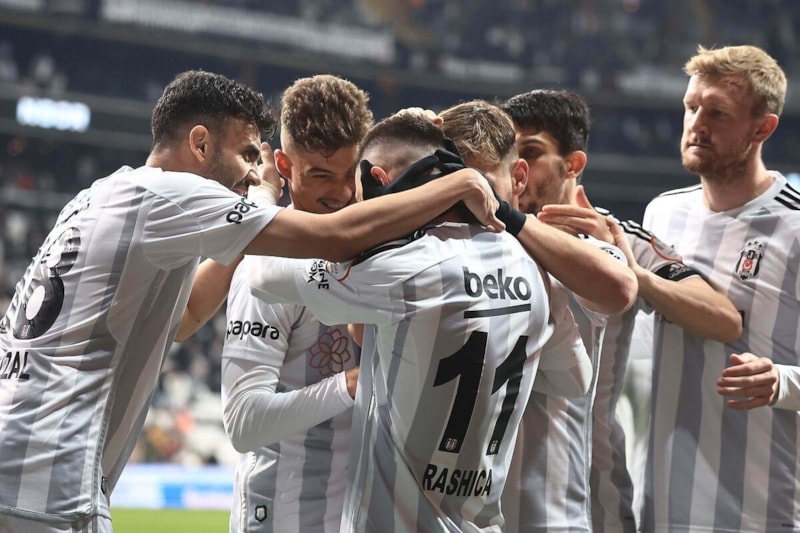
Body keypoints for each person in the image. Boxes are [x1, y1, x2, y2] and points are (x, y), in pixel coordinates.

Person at [0, 70, 501, 532]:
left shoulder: (106, 195)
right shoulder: (169, 195)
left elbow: (187, 316)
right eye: (245, 155)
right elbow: (333, 237)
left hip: (22, 459)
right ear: (200, 144)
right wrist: (454, 182)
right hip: (47, 480)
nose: (251, 174)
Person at [243, 112, 592, 532]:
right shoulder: (528, 261)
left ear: (377, 180)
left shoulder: (399, 268)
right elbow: (575, 379)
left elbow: (260, 272)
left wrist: (264, 192)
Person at [501, 88, 742, 532]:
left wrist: (632, 274)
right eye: (509, 155)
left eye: (531, 153)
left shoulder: (621, 237)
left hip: (590, 496)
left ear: (573, 164)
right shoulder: (487, 236)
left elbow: (723, 318)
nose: (517, 169)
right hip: (485, 492)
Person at [640, 44, 800, 532]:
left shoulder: (795, 227)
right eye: (691, 107)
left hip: (761, 513)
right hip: (661, 506)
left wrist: (783, 382)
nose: (697, 124)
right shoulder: (661, 214)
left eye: (717, 113)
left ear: (762, 128)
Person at [221, 74, 371, 533]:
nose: (342, 192)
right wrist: (353, 385)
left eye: (351, 173)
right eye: (321, 174)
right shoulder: (264, 270)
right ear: (284, 165)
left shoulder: (378, 247)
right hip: (282, 516)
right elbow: (244, 423)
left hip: (359, 512)